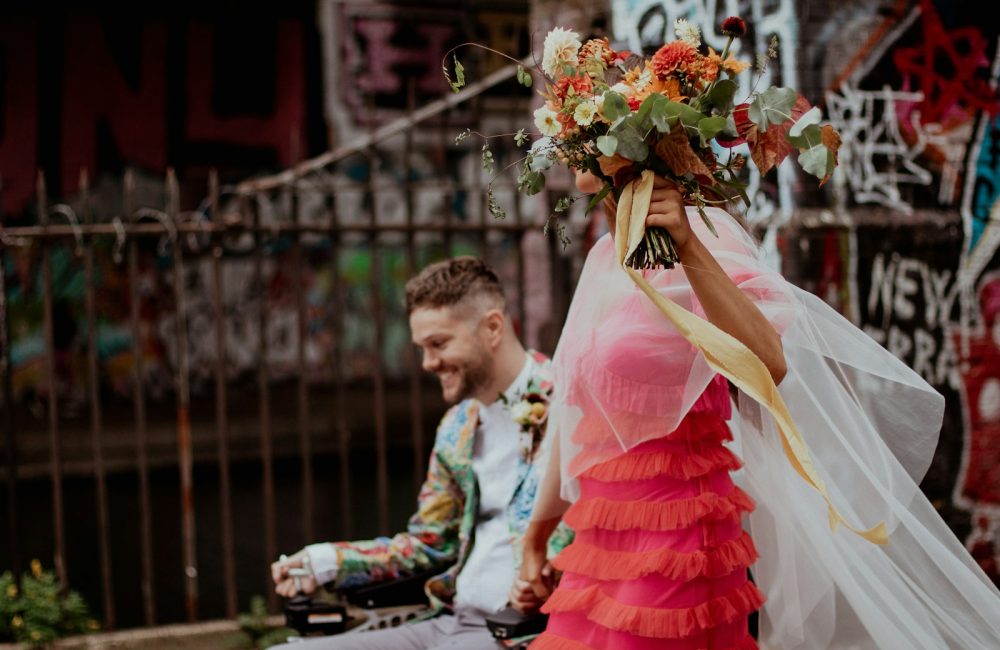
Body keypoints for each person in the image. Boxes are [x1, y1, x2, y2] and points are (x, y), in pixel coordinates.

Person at [519, 173, 1000, 649]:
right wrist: (535, 537)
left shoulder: (704, 232)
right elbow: (576, 415)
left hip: (675, 536)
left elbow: (769, 362)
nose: (562, 144)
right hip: (598, 541)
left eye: (574, 132)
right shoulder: (606, 253)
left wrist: (689, 246)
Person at [270, 256, 571, 650]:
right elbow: (430, 544)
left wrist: (549, 577)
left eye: (439, 344)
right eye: (422, 348)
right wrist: (325, 562)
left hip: (523, 633)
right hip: (445, 622)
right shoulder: (456, 429)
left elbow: (600, 537)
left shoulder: (570, 405)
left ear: (493, 327)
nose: (428, 363)